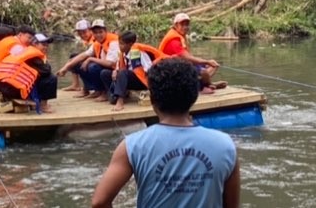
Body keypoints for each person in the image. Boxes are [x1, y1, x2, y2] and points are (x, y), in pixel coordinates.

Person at [91, 58, 240, 208]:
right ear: (194, 97)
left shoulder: (132, 145)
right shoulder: (225, 145)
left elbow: (99, 202)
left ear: (152, 98)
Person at [159, 13, 225, 94]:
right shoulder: (174, 41)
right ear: (176, 25)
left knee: (213, 65)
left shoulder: (180, 36)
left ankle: (205, 83)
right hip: (171, 70)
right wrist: (206, 62)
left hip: (181, 65)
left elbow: (188, 57)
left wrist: (206, 63)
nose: (185, 27)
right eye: (182, 25)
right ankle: (203, 86)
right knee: (204, 72)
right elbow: (187, 57)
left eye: (187, 25)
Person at [0, 33, 57, 113]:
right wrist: (46, 62)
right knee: (51, 78)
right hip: (13, 89)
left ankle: (32, 101)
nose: (46, 47)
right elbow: (46, 71)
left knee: (38, 76)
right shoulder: (34, 55)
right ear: (35, 44)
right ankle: (43, 105)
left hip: (5, 87)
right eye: (43, 44)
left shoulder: (25, 51)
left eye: (47, 45)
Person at [57, 19, 119, 101]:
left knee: (93, 66)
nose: (98, 35)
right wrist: (66, 67)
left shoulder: (113, 41)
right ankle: (95, 90)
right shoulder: (97, 43)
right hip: (104, 68)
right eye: (96, 33)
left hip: (115, 71)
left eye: (100, 32)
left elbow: (110, 64)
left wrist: (90, 59)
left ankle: (103, 92)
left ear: (105, 31)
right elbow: (83, 55)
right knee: (78, 62)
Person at [110, 31, 167, 112]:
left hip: (142, 81)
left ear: (130, 44)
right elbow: (120, 66)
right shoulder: (123, 54)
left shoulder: (138, 52)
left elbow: (149, 68)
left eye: (122, 44)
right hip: (129, 78)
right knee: (105, 73)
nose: (120, 46)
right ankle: (114, 95)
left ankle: (120, 100)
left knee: (123, 73)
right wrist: (115, 71)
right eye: (119, 43)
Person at [61, 19, 95, 92]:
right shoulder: (87, 40)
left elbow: (87, 55)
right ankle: (75, 84)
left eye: (84, 32)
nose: (82, 35)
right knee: (73, 56)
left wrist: (67, 66)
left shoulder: (93, 40)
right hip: (93, 59)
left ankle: (87, 88)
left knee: (77, 62)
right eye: (80, 33)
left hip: (97, 61)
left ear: (90, 30)